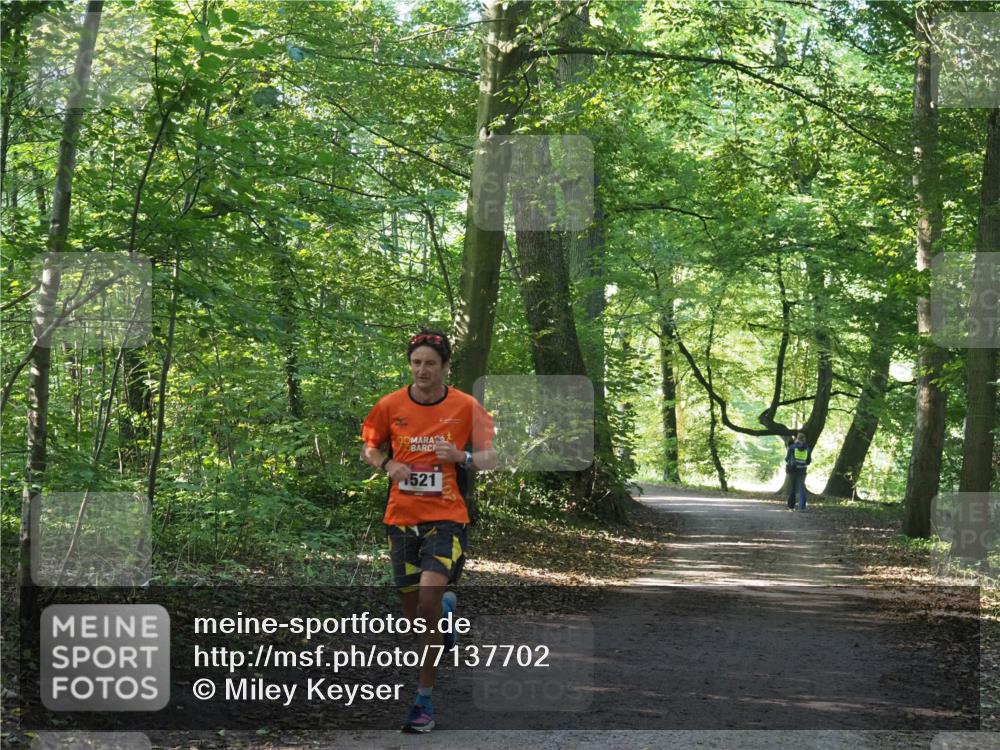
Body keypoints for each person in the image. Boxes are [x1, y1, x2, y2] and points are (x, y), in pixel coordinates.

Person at [361, 329, 497, 733]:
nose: (422, 370)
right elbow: (369, 448)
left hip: (447, 517)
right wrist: (388, 465)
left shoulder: (466, 406)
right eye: (416, 362)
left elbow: (491, 458)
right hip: (401, 518)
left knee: (427, 600)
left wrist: (461, 456)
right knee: (417, 616)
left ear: (445, 367)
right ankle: (446, 616)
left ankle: (423, 702)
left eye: (431, 364)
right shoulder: (389, 405)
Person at [785, 432, 811, 511]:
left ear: (797, 438)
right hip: (802, 470)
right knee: (801, 488)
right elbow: (808, 461)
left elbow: (787, 459)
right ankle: (802, 507)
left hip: (793, 470)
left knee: (793, 488)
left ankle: (791, 507)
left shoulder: (792, 447)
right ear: (804, 439)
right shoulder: (807, 449)